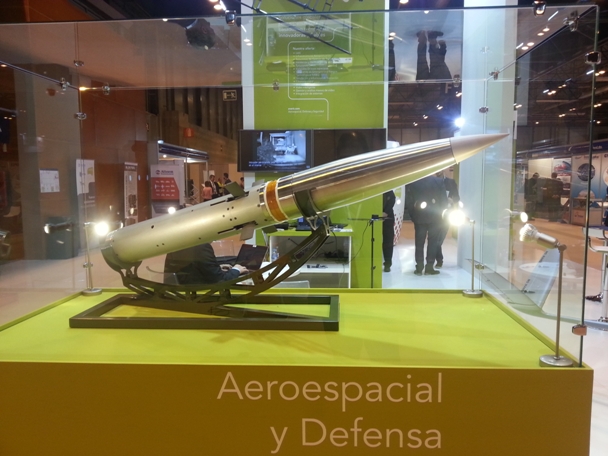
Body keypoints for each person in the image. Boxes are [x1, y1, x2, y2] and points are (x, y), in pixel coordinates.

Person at [405, 174, 448, 275]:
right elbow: (444, 201)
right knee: (433, 242)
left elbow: (409, 201)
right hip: (435, 218)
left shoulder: (414, 182)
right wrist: (441, 216)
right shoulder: (439, 182)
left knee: (419, 243)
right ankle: (429, 267)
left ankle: (419, 267)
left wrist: (413, 215)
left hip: (419, 217)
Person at [164, 243, 248, 285]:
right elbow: (220, 280)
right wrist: (237, 270)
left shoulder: (183, 242)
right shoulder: (202, 246)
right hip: (198, 291)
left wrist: (217, 267)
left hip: (183, 286)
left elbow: (191, 267)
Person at [435, 171, 460, 269]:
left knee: (439, 240)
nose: (438, 172)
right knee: (434, 238)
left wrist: (452, 200)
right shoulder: (433, 182)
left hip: (447, 214)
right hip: (435, 214)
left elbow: (457, 197)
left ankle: (438, 260)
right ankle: (437, 260)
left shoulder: (451, 182)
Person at [382, 190, 396, 272]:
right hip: (373, 217)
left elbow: (392, 199)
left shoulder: (387, 189)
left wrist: (386, 212)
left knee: (388, 241)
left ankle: (387, 264)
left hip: (388, 218)